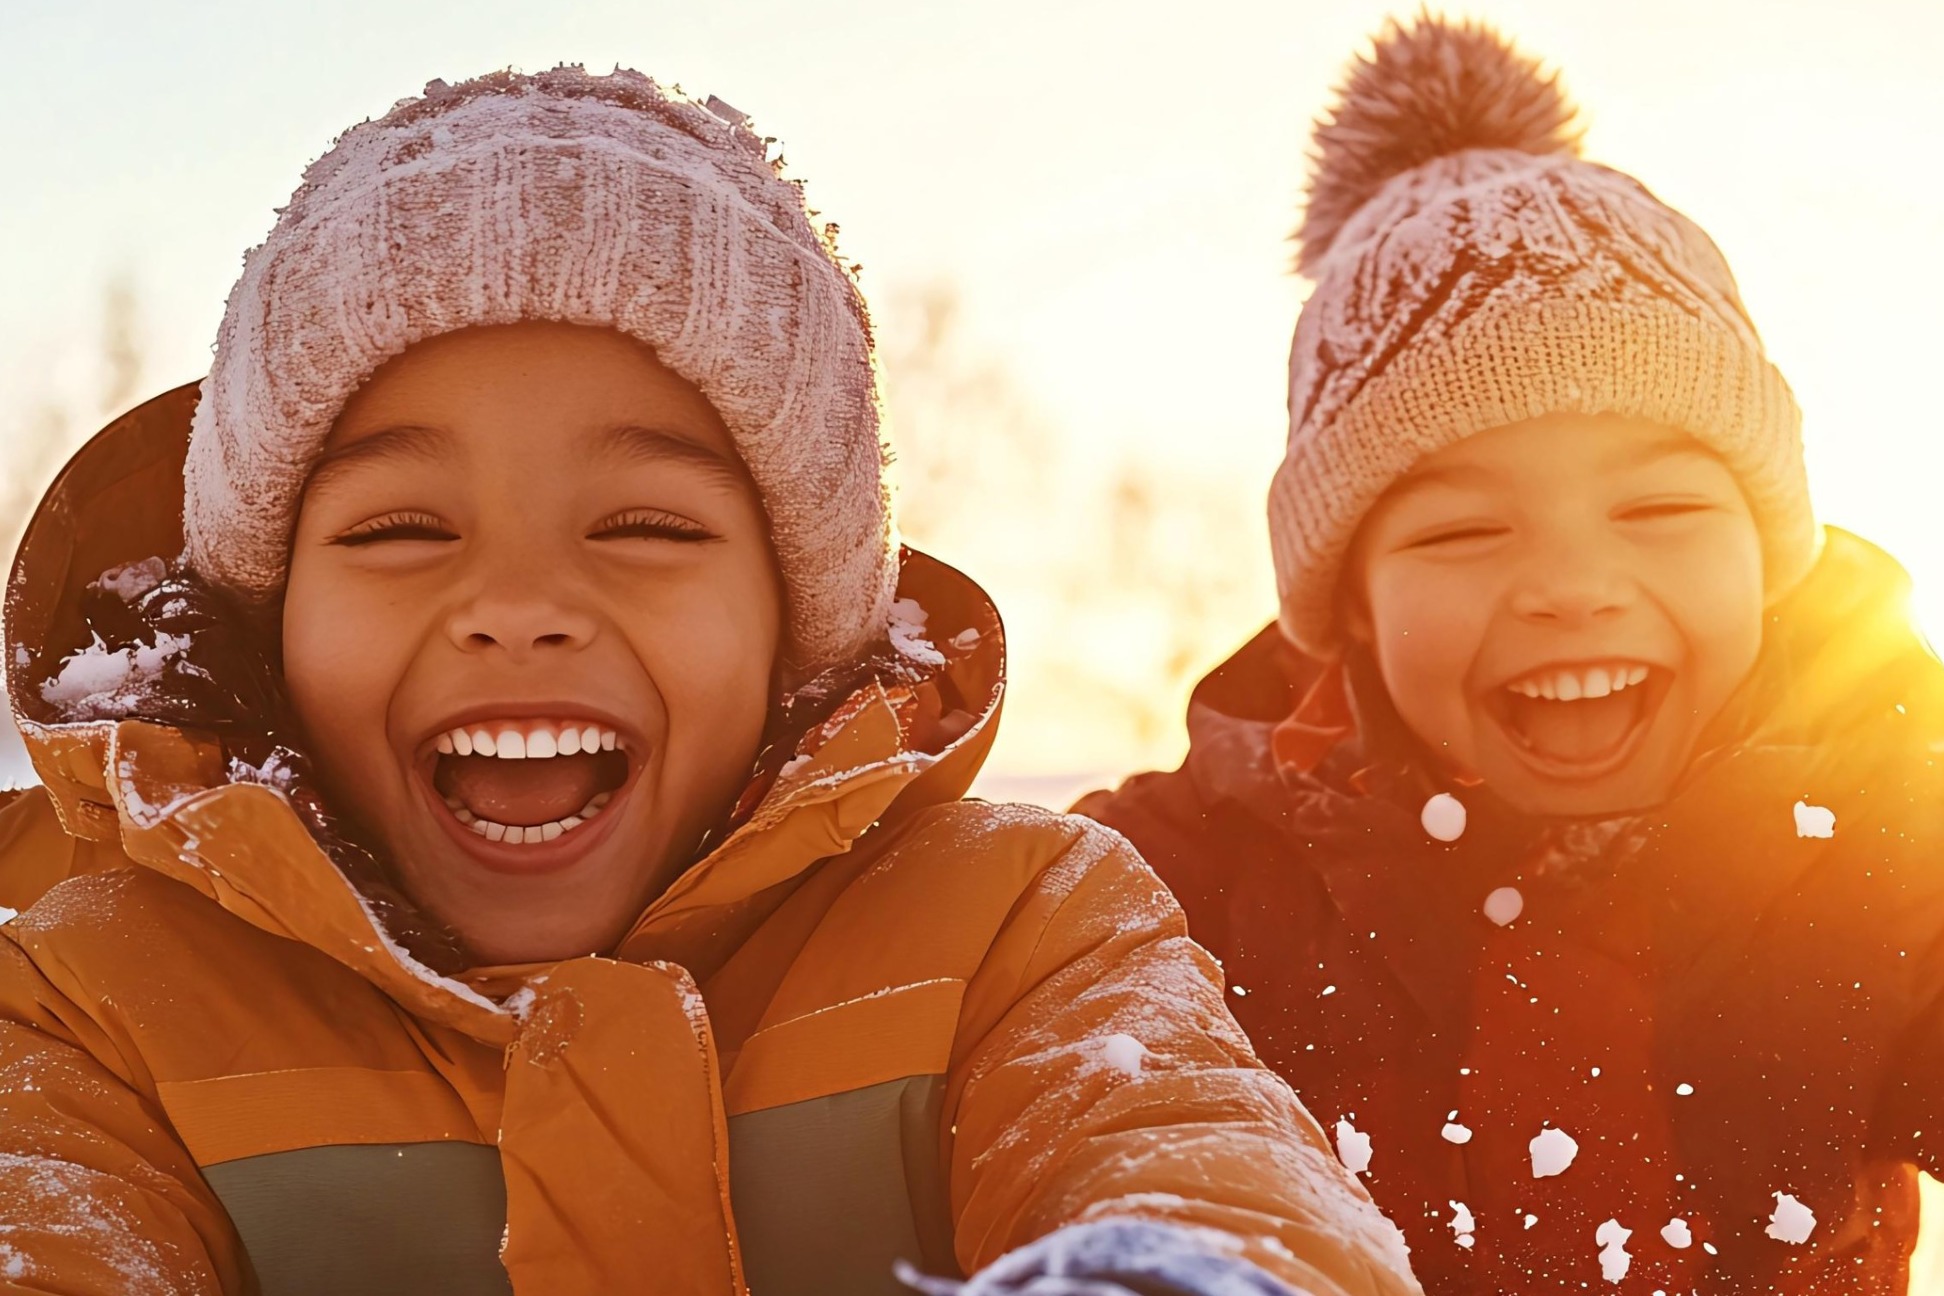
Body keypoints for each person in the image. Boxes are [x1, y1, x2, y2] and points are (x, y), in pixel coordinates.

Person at [0, 69, 1419, 1296]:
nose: (518, 606)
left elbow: (1191, 1157)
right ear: (272, 615)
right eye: (399, 529)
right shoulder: (88, 994)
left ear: (794, 621)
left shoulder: (1013, 930)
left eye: (646, 528)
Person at [1080, 16, 1944, 1295]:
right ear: (1352, 606)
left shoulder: (1885, 838)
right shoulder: (1177, 892)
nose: (1575, 588)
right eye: (1468, 528)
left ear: (1770, 560)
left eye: (1658, 511)